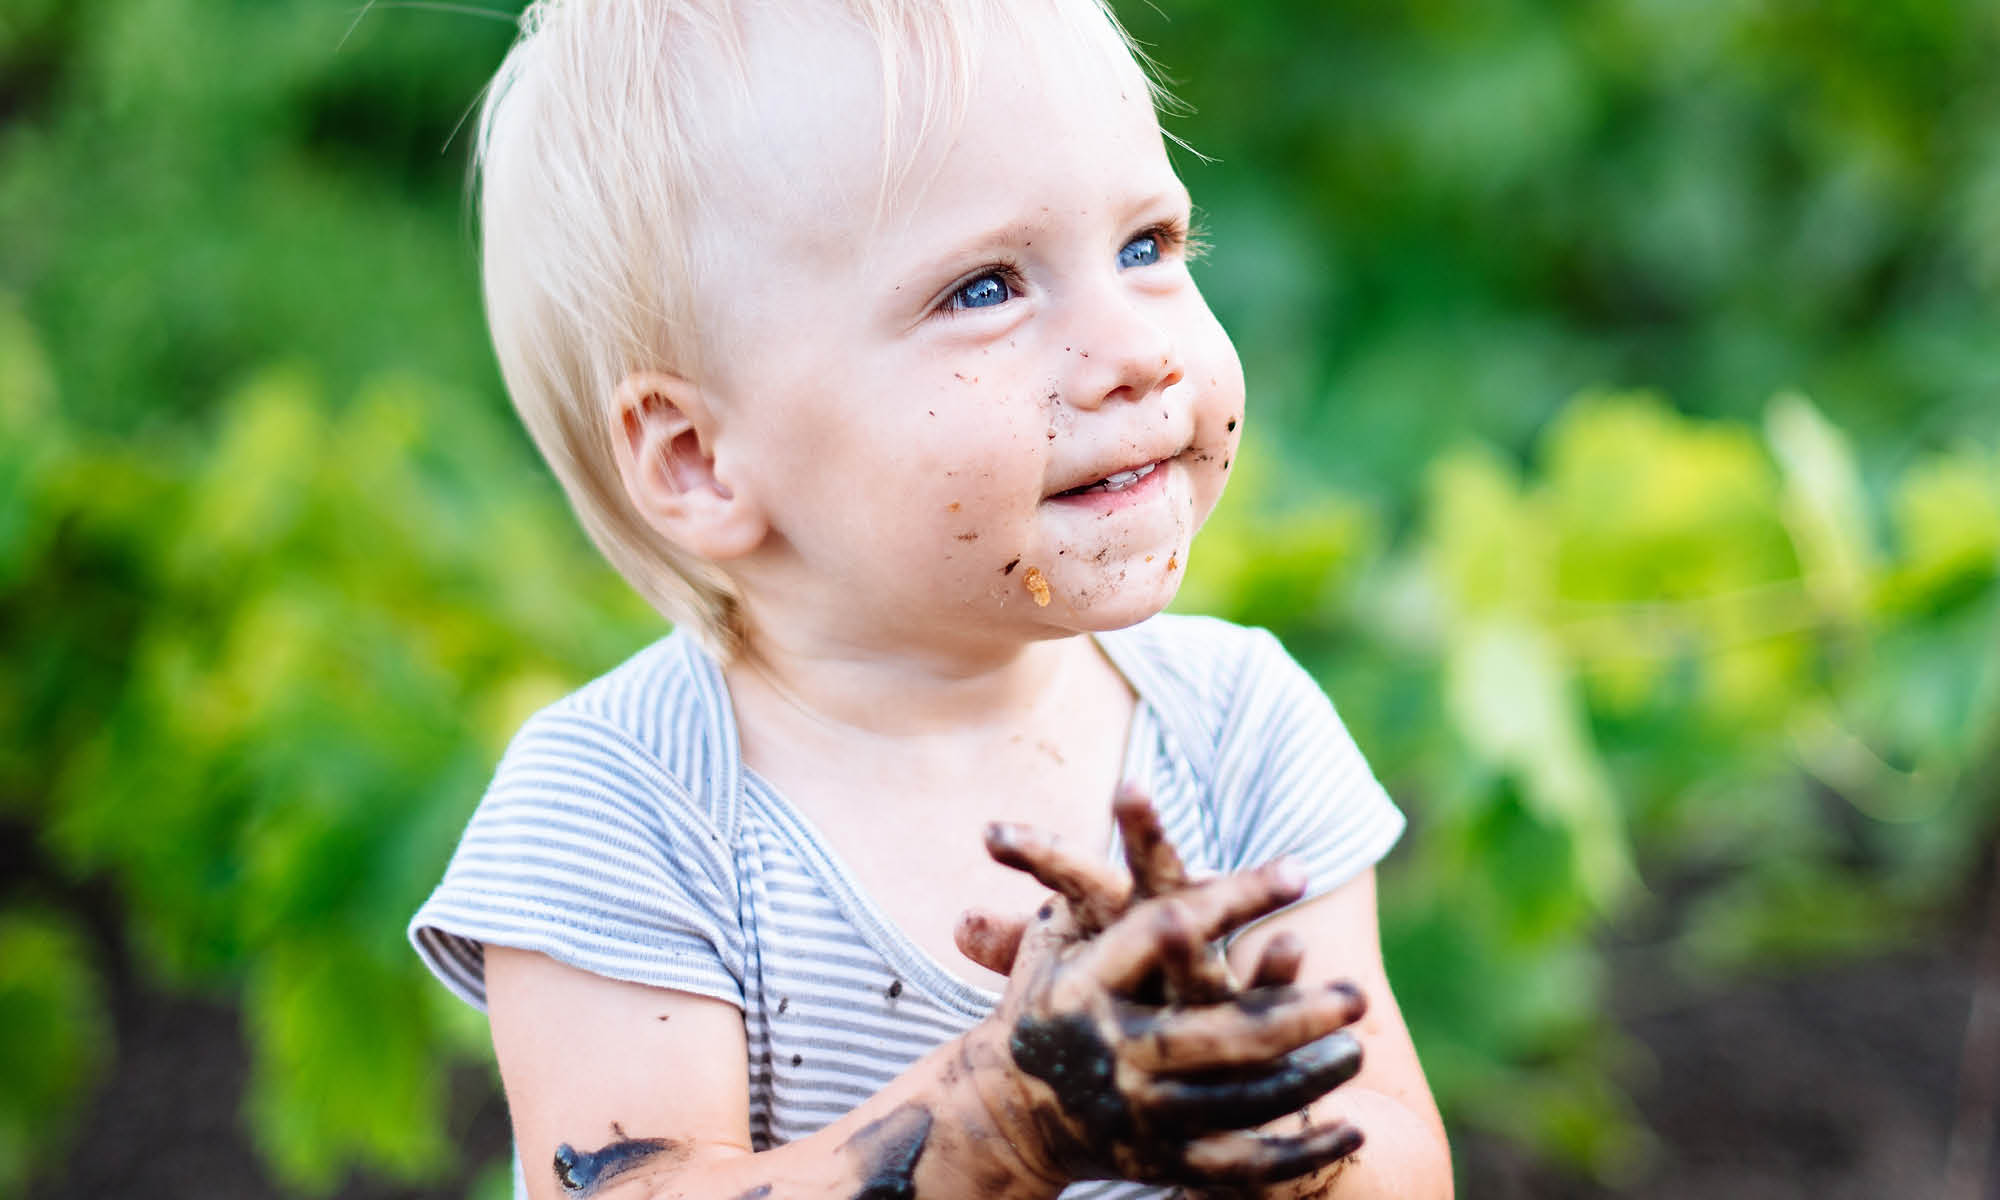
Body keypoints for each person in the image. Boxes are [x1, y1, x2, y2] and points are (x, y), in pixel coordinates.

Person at [409, 1, 1454, 1196]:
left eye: (1147, 246)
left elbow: (1406, 1164)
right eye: (983, 289)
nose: (1136, 350)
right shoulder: (623, 806)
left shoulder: (1237, 730)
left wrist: (1262, 1116)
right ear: (700, 459)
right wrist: (1001, 1120)